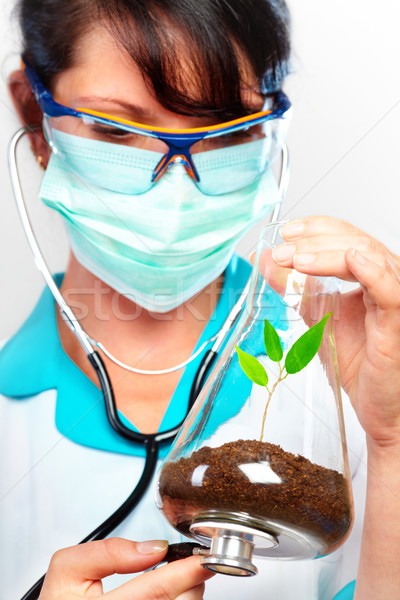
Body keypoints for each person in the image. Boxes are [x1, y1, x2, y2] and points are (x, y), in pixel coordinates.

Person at [0, 0, 399, 599]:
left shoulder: (357, 377)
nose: (177, 185)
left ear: (267, 128)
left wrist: (393, 443)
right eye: (116, 129)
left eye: (227, 130)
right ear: (35, 114)